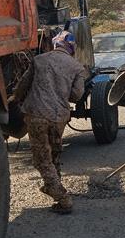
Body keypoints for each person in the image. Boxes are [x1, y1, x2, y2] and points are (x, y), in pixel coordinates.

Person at [11, 30, 86, 214]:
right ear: (71, 48)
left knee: (42, 160)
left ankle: (62, 197)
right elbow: (77, 96)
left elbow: (23, 85)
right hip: (59, 117)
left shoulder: (39, 60)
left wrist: (15, 99)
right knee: (54, 154)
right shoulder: (77, 67)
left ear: (54, 44)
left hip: (36, 114)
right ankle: (53, 185)